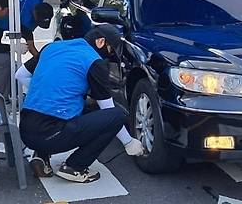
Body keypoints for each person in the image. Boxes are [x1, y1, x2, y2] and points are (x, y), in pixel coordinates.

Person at [16, 25, 145, 183]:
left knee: (73, 109)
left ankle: (41, 157)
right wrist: (129, 142)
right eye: (110, 50)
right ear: (101, 42)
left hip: (26, 129)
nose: (108, 56)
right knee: (116, 116)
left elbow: (20, 75)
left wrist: (50, 90)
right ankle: (74, 167)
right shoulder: (94, 62)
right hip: (51, 133)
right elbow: (108, 110)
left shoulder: (52, 47)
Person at [0, 0, 68, 58]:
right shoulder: (24, 22)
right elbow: (31, 47)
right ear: (34, 14)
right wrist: (43, 61)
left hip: (9, 5)